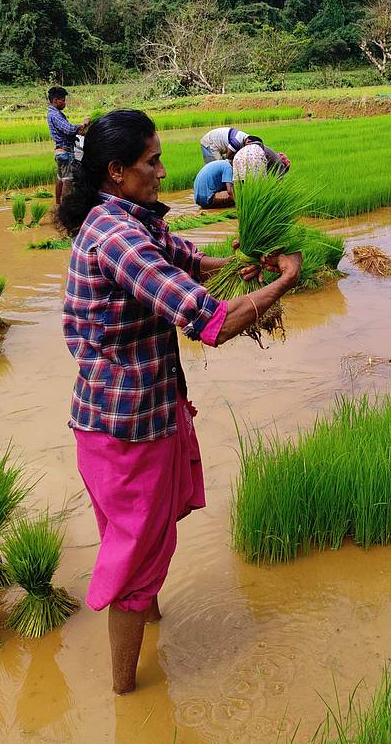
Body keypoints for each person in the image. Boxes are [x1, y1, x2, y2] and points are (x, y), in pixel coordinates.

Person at [57, 110, 301, 695]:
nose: (163, 171)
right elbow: (209, 322)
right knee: (134, 559)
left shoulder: (130, 219)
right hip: (126, 429)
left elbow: (189, 264)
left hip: (128, 415)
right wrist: (284, 282)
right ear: (116, 171)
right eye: (153, 161)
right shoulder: (118, 238)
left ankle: (151, 623)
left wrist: (241, 264)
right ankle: (126, 695)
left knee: (136, 541)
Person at [47, 86, 89, 203]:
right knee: (68, 180)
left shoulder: (54, 114)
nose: (65, 103)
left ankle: (58, 204)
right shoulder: (55, 115)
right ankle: (65, 207)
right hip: (65, 151)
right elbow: (69, 129)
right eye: (63, 100)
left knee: (60, 179)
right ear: (55, 100)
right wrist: (83, 124)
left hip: (60, 152)